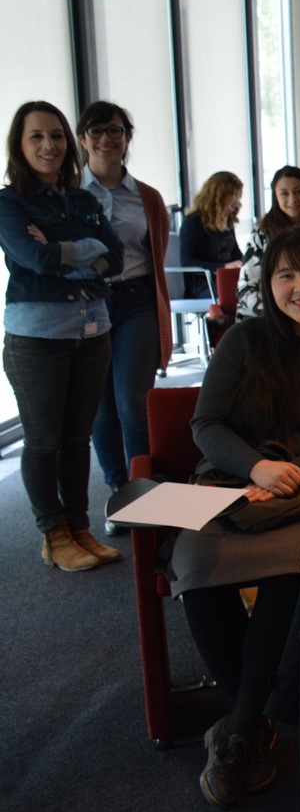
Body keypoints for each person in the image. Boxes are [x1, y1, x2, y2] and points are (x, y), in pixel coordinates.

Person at [175, 227, 300, 808]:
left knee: (291, 571)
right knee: (194, 566)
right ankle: (255, 716)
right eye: (285, 275)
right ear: (268, 284)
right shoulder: (243, 341)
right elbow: (205, 424)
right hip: (234, 486)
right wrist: (258, 468)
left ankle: (238, 731)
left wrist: (293, 473)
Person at [0, 100, 122, 571]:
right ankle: (53, 534)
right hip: (38, 337)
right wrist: (77, 257)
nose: (49, 145)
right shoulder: (9, 203)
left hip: (93, 331)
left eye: (55, 136)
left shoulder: (84, 200)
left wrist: (63, 251)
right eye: (37, 137)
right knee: (44, 440)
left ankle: (80, 527)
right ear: (20, 144)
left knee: (78, 438)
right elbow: (37, 262)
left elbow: (113, 256)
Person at [76, 102, 173, 515]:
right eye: (96, 132)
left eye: (115, 131)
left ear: (127, 138)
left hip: (136, 302)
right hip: (87, 305)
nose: (106, 139)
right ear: (82, 139)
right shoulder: (70, 196)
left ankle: (143, 493)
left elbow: (156, 252)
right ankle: (118, 492)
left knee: (133, 402)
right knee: (100, 406)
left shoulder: (147, 197)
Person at [237, 166, 300, 319]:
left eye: (298, 191)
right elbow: (245, 288)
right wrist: (280, 313)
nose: (292, 199)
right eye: (284, 193)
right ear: (275, 197)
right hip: (266, 315)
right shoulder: (262, 232)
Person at [179, 170, 244, 298]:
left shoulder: (227, 220)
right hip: (203, 285)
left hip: (227, 280)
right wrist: (224, 267)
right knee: (239, 295)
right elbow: (187, 262)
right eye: (234, 198)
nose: (237, 204)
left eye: (238, 198)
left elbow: (236, 254)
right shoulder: (192, 222)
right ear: (220, 197)